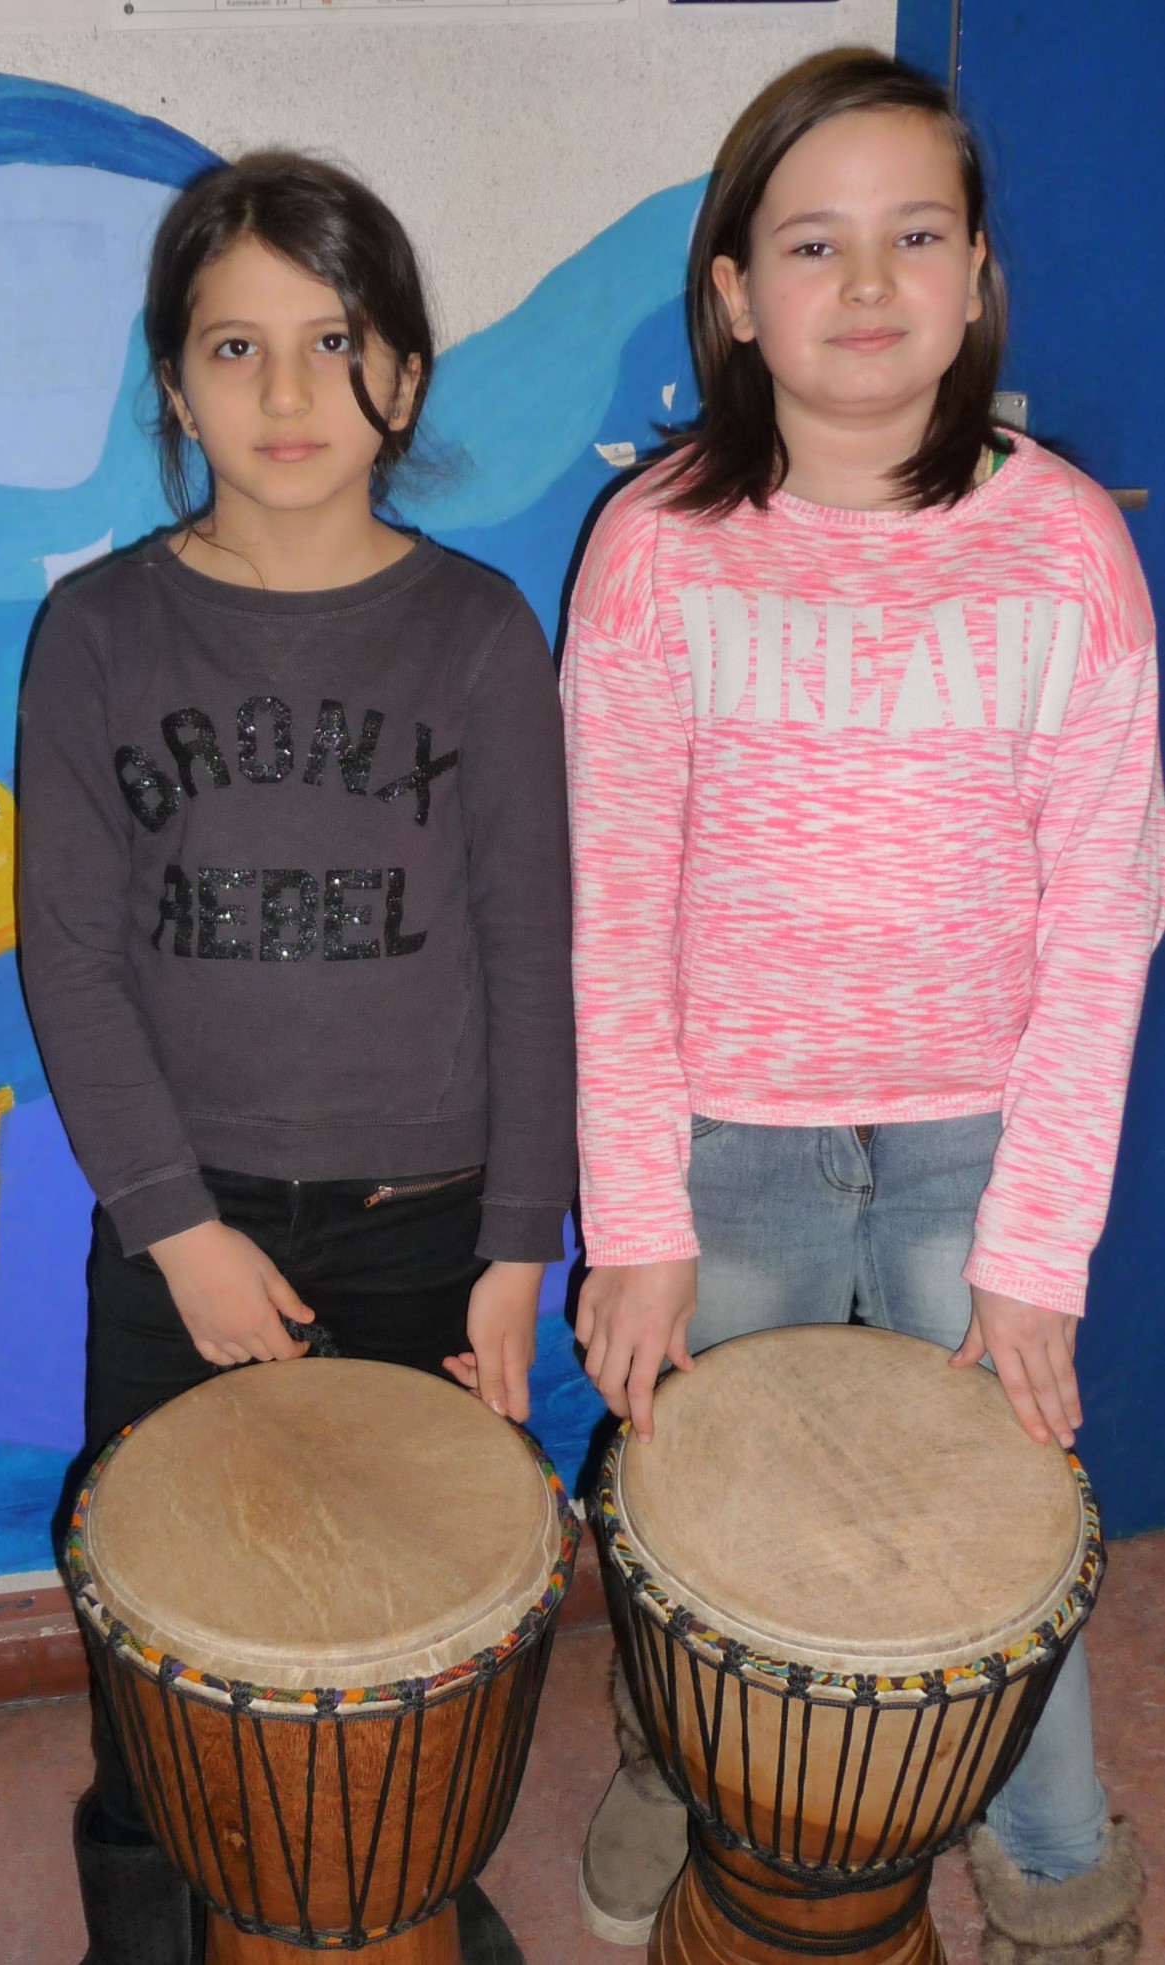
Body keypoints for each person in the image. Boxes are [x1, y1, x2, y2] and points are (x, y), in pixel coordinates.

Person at [561, 51, 1159, 1965]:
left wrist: (1034, 1251)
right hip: (722, 1143)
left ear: (977, 275)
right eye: (813, 243)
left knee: (999, 1519)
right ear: (734, 293)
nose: (871, 280)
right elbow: (610, 913)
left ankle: (1052, 1863)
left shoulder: (1065, 545)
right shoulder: (653, 548)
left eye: (916, 234)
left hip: (974, 1148)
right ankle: (677, 1752)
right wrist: (636, 1218)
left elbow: (1106, 921)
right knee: (701, 1510)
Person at [18, 150, 575, 1965]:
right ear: (173, 388)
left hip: (428, 1225)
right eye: (232, 346)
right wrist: (174, 1229)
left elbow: (532, 950)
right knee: (158, 1645)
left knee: (406, 1630)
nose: (283, 390)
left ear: (402, 373)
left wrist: (518, 1243)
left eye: (331, 341)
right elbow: (70, 959)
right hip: (181, 1232)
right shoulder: (97, 632)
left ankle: (404, 1886)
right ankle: (142, 1917)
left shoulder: (476, 632)